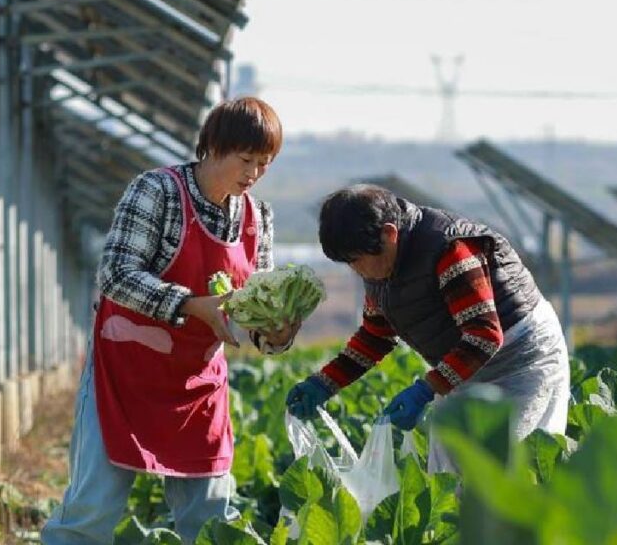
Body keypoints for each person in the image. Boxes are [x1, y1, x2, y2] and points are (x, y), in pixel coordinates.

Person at [43, 97, 299, 544]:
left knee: (212, 517)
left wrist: (273, 333)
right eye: (246, 160)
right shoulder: (157, 192)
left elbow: (253, 308)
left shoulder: (260, 218)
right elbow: (116, 275)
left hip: (198, 384)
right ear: (214, 147)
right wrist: (191, 305)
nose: (254, 173)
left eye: (265, 164)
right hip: (124, 375)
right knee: (93, 511)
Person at [285, 184, 570, 456]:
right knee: (452, 466)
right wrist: (324, 384)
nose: (356, 270)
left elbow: (484, 334)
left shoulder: (449, 249)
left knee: (509, 468)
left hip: (523, 357)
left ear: (389, 234)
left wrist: (427, 389)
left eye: (357, 260)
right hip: (467, 365)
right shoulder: (380, 268)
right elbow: (375, 336)